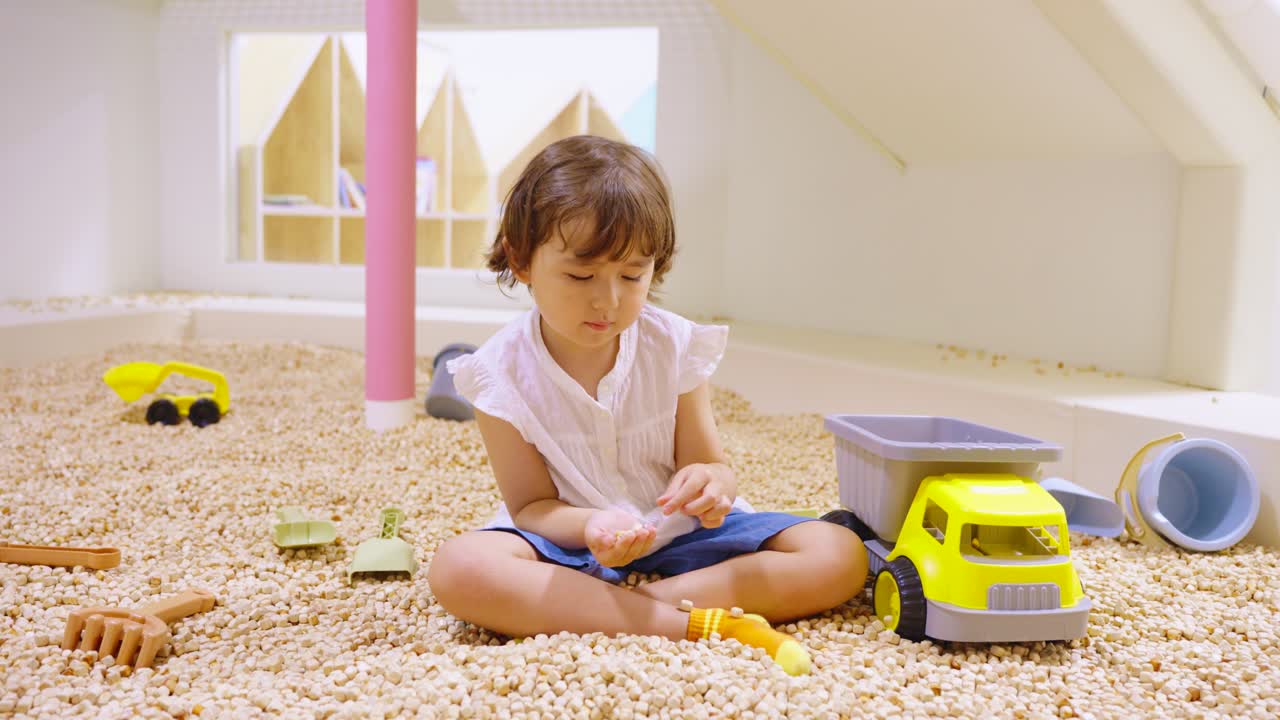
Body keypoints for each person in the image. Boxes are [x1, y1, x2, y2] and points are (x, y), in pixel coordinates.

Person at [427, 135, 867, 675]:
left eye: (632, 275)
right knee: (460, 567)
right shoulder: (497, 374)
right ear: (521, 260)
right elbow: (531, 509)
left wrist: (711, 486)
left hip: (684, 537)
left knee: (840, 552)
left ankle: (623, 609)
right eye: (581, 276)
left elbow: (709, 466)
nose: (607, 300)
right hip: (567, 546)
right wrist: (592, 527)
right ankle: (694, 623)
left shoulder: (673, 345)